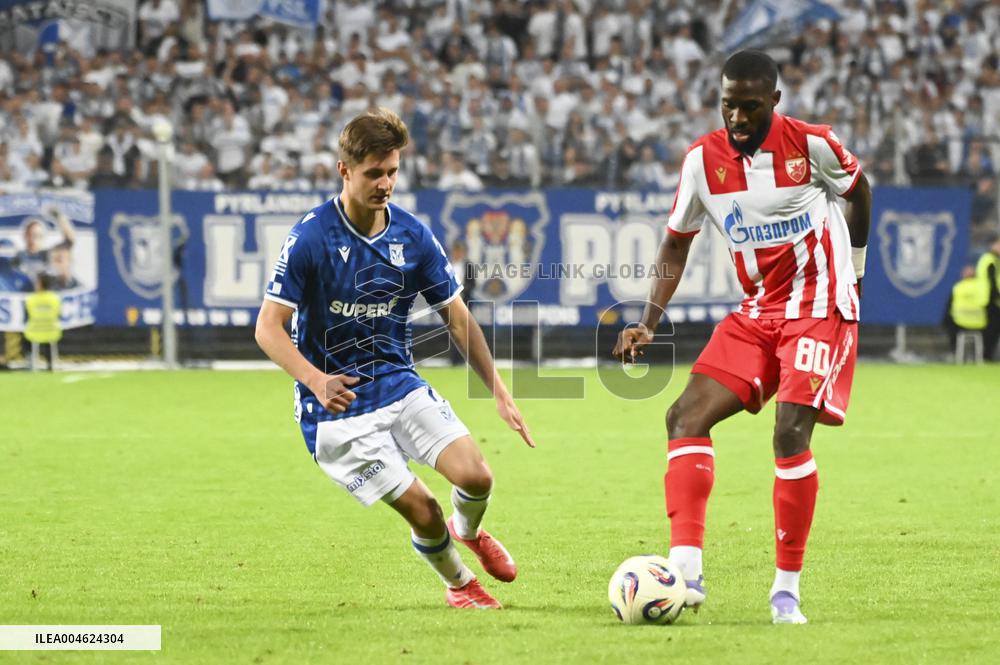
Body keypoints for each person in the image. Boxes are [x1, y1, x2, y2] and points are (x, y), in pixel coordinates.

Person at [613, 50, 872, 625]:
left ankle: (786, 592)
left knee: (789, 432)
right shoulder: (702, 161)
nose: (737, 117)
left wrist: (855, 269)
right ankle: (685, 576)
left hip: (819, 307)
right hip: (757, 312)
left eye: (750, 106)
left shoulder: (812, 144)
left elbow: (859, 191)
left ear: (774, 101)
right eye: (728, 104)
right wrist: (648, 320)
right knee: (684, 418)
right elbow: (676, 242)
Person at [255, 108, 535, 610]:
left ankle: (469, 530)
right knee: (424, 510)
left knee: (477, 477)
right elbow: (267, 328)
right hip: (336, 410)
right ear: (344, 170)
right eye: (373, 174)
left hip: (396, 381)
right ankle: (459, 585)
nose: (385, 184)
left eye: (392, 172)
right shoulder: (311, 237)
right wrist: (315, 379)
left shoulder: (412, 235)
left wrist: (499, 391)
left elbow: (457, 318)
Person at [942, 265, 989, 358]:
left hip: (960, 323)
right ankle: (985, 355)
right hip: (980, 323)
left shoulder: (958, 287)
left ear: (963, 275)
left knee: (947, 322)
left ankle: (955, 351)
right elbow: (987, 304)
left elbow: (949, 306)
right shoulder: (982, 287)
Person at [974, 235, 1000, 361]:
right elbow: (992, 281)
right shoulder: (990, 260)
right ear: (992, 245)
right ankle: (986, 356)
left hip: (989, 299)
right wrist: (997, 296)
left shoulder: (989, 259)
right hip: (991, 299)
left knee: (992, 329)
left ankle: (987, 356)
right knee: (991, 330)